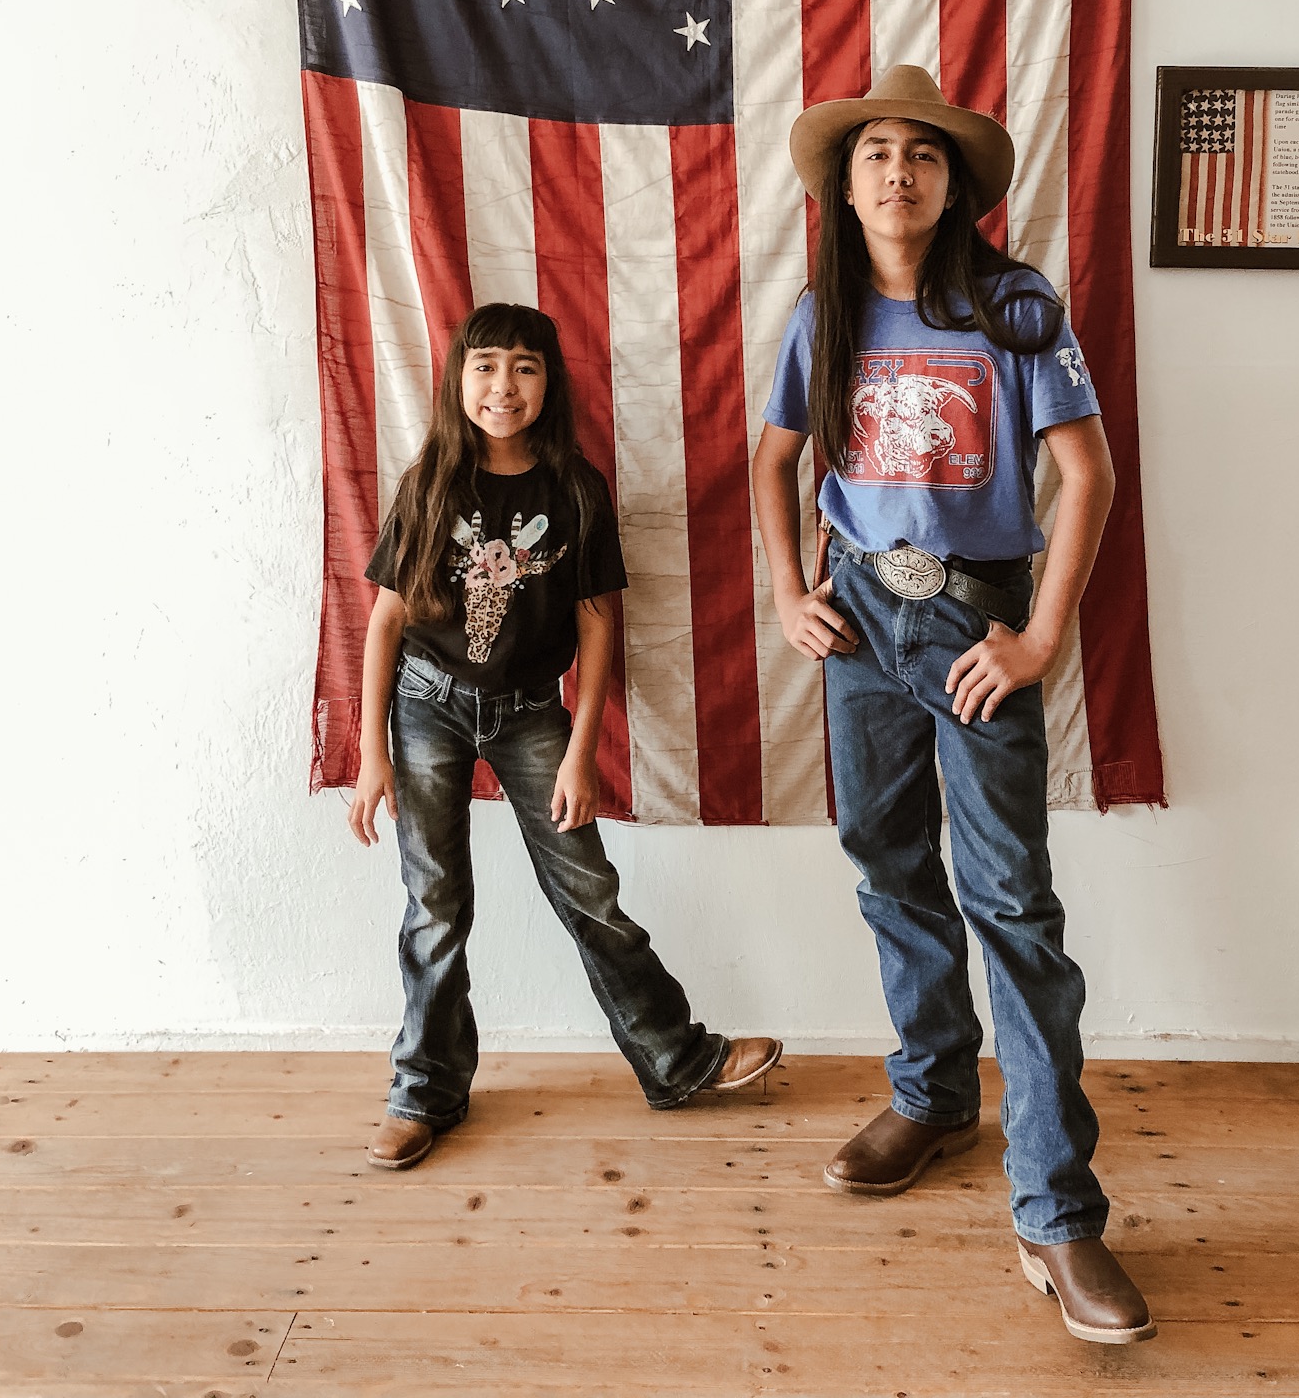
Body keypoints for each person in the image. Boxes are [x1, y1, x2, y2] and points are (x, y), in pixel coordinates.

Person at [751, 65, 1154, 1346]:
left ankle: (1057, 1208)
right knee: (887, 861)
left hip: (972, 619)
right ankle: (932, 1091)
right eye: (874, 153)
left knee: (1012, 903)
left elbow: (1083, 469)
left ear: (957, 180)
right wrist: (785, 590)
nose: (898, 173)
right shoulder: (827, 312)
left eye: (922, 154)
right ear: (843, 182)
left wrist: (1038, 637)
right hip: (861, 617)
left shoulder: (1012, 304)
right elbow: (772, 458)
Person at [351, 301, 780, 1170]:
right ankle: (424, 1091)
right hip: (427, 705)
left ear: (550, 384)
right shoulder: (430, 481)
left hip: (531, 713)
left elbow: (595, 627)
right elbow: (386, 621)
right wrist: (371, 755)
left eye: (524, 368)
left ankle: (676, 1059)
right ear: (457, 380)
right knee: (434, 906)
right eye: (485, 367)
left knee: (590, 892)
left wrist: (582, 749)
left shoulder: (575, 492)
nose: (503, 386)